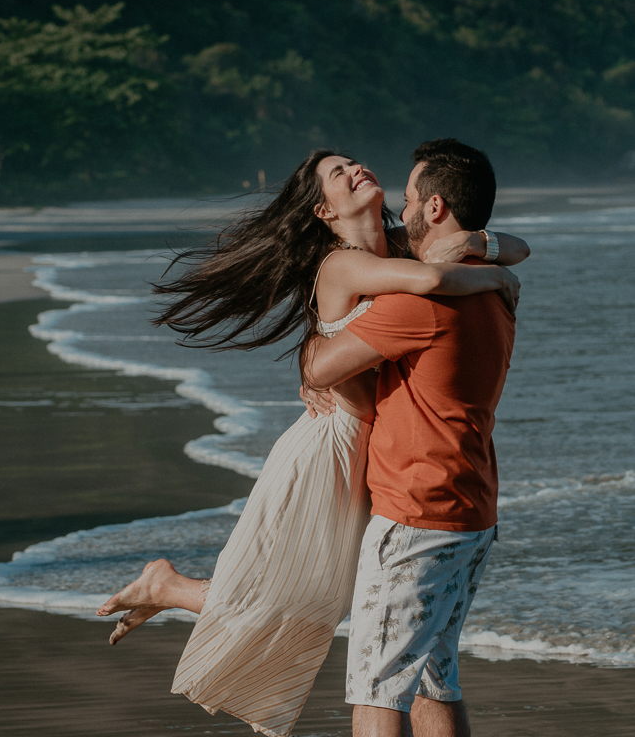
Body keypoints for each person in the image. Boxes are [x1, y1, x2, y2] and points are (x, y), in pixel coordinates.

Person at [96, 144, 527, 737]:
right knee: (311, 596)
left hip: (393, 470)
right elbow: (419, 288)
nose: (357, 171)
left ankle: (167, 586)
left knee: (339, 613)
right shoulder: (373, 272)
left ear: (432, 209)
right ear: (323, 211)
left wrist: (482, 246)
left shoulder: (402, 256)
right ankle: (167, 586)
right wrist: (494, 268)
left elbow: (488, 251)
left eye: (357, 166)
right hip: (339, 447)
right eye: (338, 173)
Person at [302, 139, 519, 737]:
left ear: (436, 207)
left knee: (377, 690)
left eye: (409, 200)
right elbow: (509, 250)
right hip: (471, 509)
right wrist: (485, 247)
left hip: (416, 515)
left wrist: (315, 348)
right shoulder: (493, 285)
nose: (402, 210)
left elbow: (319, 368)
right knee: (433, 677)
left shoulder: (418, 304)